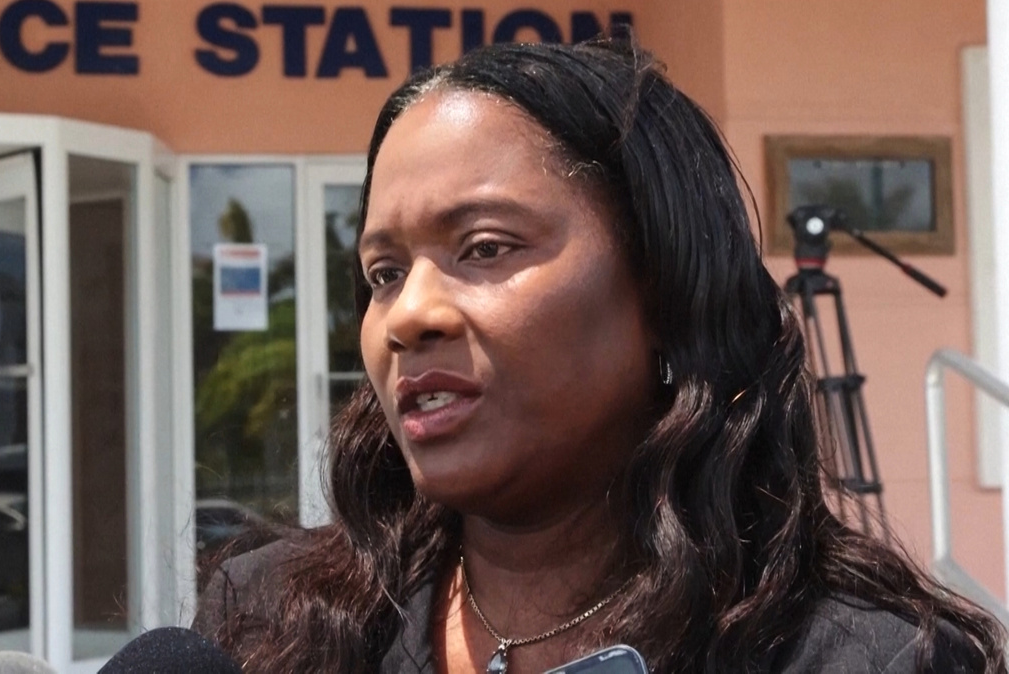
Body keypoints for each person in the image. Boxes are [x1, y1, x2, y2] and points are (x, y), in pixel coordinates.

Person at [192, 38, 1007, 673]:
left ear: (662, 291)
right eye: (384, 273)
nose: (409, 316)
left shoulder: (867, 659)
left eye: (483, 247)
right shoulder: (268, 624)